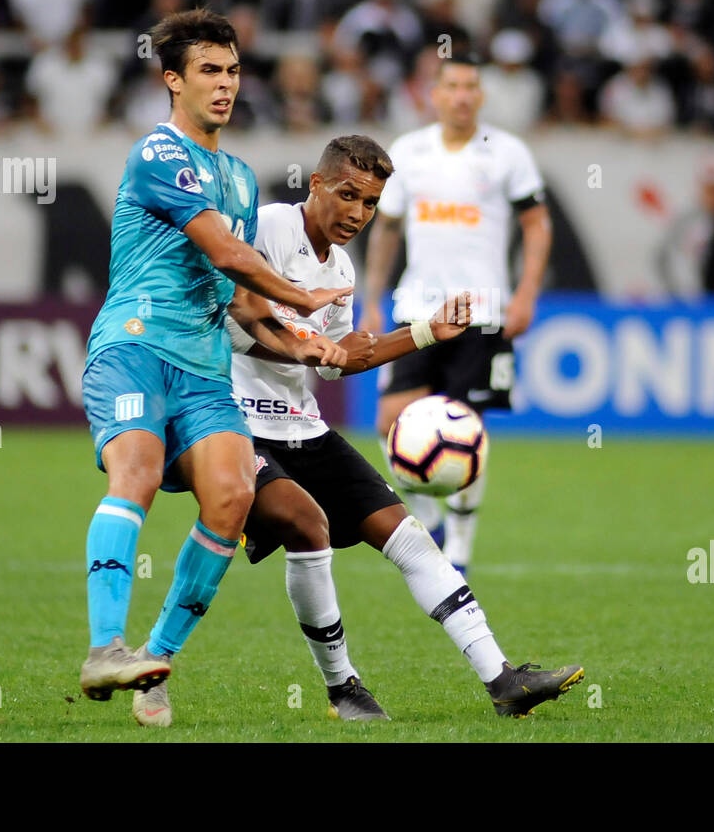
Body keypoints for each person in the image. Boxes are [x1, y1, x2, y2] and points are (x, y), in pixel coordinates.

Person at [131, 134, 583, 726]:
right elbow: (241, 311)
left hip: (302, 425)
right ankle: (342, 688)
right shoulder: (265, 227)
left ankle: (502, 679)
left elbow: (343, 356)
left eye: (370, 204)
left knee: (408, 535)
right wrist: (309, 346)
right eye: (348, 195)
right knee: (306, 523)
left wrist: (426, 333)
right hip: (232, 419)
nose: (357, 214)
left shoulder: (339, 268)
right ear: (316, 184)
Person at [78, 8, 351, 707]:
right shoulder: (159, 154)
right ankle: (105, 648)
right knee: (134, 474)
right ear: (173, 80)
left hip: (202, 367)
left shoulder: (239, 176)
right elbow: (227, 251)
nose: (225, 84)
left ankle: (151, 666)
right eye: (209, 71)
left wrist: (302, 341)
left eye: (232, 70)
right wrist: (303, 294)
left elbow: (238, 298)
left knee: (231, 498)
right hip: (136, 347)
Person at [359, 54, 552, 574]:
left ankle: (461, 546)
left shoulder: (507, 153)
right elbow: (388, 229)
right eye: (452, 86)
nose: (462, 95)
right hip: (418, 307)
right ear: (434, 94)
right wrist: (374, 297)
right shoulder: (409, 151)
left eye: (471, 86)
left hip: (482, 311)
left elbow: (537, 225)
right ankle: (429, 517)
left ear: (481, 95)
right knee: (388, 419)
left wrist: (526, 293)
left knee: (467, 427)